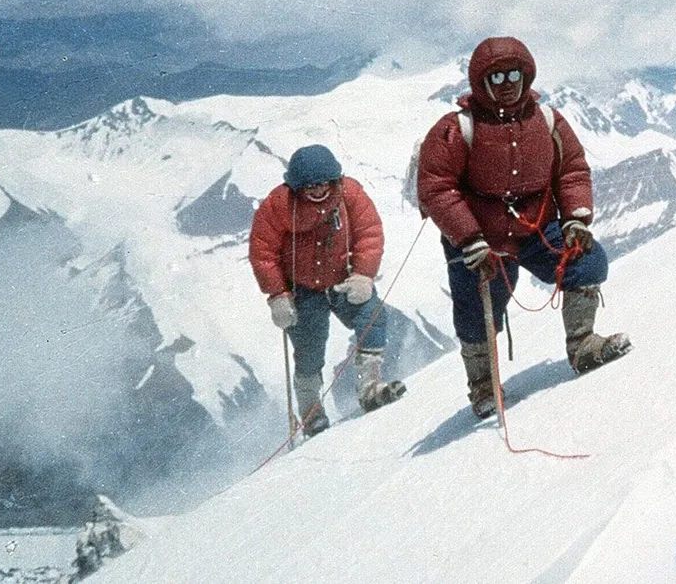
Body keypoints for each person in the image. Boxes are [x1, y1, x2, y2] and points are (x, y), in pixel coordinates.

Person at [417, 36, 631, 420]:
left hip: (536, 228)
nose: (506, 83)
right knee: (476, 306)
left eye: (514, 74)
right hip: (480, 240)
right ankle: (483, 386)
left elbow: (572, 169)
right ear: (480, 82)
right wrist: (468, 238)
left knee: (585, 260)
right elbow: (437, 186)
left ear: (526, 74)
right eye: (495, 77)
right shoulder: (456, 129)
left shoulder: (547, 120)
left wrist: (576, 219)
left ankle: (582, 346)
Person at [250, 144, 405, 438]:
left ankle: (370, 388)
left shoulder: (350, 194)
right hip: (303, 291)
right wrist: (278, 296)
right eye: (310, 185)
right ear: (297, 185)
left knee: (373, 316)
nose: (318, 189)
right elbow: (263, 253)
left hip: (343, 282)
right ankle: (311, 414)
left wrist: (363, 275)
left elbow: (369, 234)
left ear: (334, 179)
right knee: (309, 351)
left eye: (323, 182)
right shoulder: (278, 206)